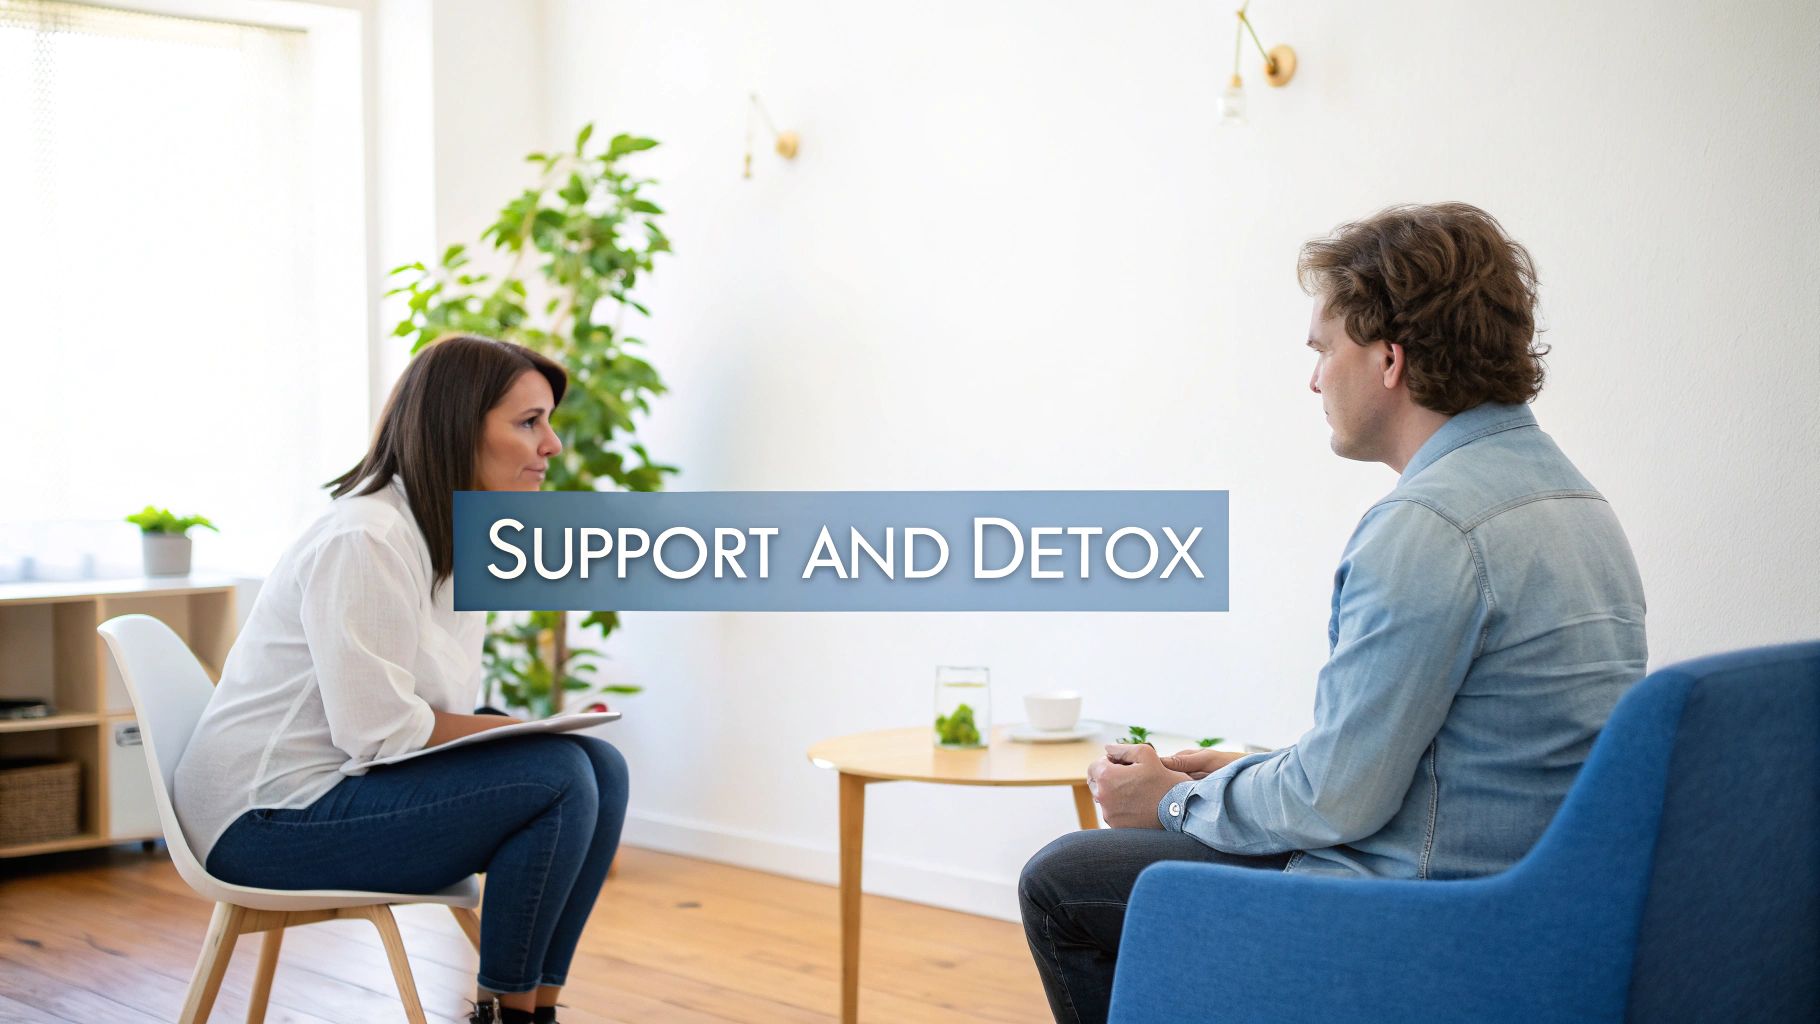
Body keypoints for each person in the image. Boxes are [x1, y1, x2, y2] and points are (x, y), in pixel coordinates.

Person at [1017, 203, 1649, 1024]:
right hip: (1536, 910)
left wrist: (1171, 802)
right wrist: (1241, 773)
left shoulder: (1427, 526)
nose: (1314, 380)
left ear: (1388, 358)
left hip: (1418, 919)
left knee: (1061, 882)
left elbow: (1338, 802)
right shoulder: (1577, 502)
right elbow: (1441, 756)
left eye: (1322, 350)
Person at [174, 334, 625, 1024]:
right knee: (560, 774)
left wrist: (520, 731)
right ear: (458, 426)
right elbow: (381, 732)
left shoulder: (450, 540)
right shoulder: (367, 538)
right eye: (529, 422)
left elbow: (423, 708)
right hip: (263, 824)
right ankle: (506, 1016)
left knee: (601, 767)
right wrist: (522, 733)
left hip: (339, 786)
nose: (552, 444)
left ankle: (533, 1010)